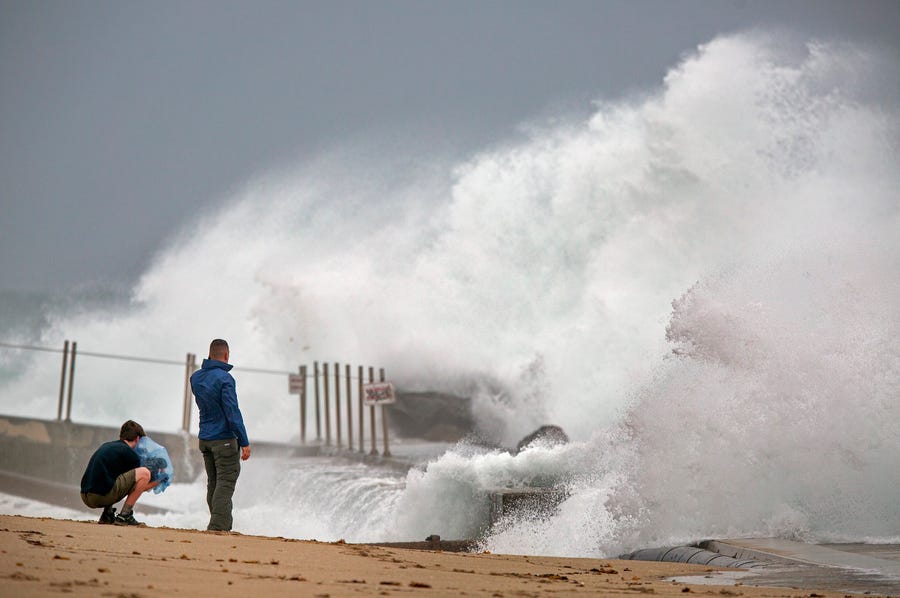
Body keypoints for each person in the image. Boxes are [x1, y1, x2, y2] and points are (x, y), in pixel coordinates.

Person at [190, 338, 251, 531]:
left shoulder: (196, 378)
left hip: (205, 439)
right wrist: (244, 441)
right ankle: (218, 527)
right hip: (223, 439)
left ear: (210, 354)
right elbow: (232, 413)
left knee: (214, 484)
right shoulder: (225, 379)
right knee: (225, 483)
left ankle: (222, 525)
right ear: (226, 355)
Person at [80, 420, 159, 526]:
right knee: (144, 473)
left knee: (114, 475)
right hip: (98, 497)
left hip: (85, 496)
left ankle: (107, 514)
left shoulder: (109, 446)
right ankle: (125, 515)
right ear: (138, 439)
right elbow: (139, 486)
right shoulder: (130, 454)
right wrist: (159, 480)